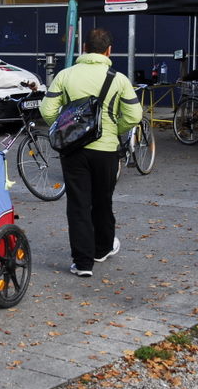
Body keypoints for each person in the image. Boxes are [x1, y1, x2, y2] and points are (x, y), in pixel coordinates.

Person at [39, 28, 142, 278]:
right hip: (106, 150)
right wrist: (113, 130)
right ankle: (102, 248)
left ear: (84, 48)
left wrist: (65, 130)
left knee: (78, 204)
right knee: (103, 200)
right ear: (109, 51)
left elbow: (47, 110)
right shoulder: (118, 79)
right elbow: (134, 116)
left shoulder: (65, 75)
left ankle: (83, 263)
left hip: (74, 150)